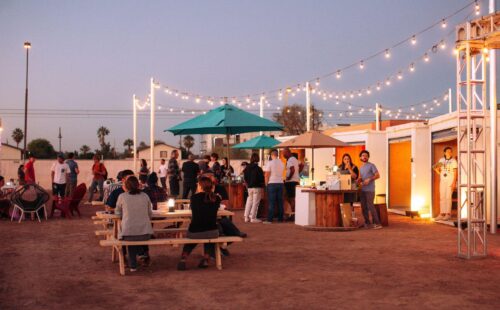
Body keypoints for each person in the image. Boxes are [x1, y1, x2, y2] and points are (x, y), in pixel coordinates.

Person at [177, 175, 220, 271]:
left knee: (194, 235)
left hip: (195, 231)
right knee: (209, 233)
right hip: (212, 231)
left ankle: (183, 258)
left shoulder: (194, 198)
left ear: (200, 186)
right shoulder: (216, 198)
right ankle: (206, 258)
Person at [115, 176, 153, 272]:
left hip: (128, 233)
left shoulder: (122, 196)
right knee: (136, 233)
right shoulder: (145, 196)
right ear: (138, 185)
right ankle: (141, 254)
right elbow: (150, 213)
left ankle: (133, 265)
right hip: (145, 234)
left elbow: (117, 213)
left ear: (126, 186)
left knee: (131, 234)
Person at [357, 150, 382, 229]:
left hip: (370, 190)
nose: (364, 157)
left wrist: (369, 179)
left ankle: (377, 223)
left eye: (366, 156)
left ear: (368, 157)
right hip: (362, 190)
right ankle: (367, 223)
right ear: (360, 157)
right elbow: (361, 178)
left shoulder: (372, 165)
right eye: (363, 155)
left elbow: (378, 175)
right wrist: (358, 180)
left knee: (371, 206)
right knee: (363, 207)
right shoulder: (361, 168)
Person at [433, 147, 458, 221]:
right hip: (443, 180)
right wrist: (440, 173)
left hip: (450, 180)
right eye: (447, 151)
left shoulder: (453, 161)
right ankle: (442, 213)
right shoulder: (442, 160)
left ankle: (448, 214)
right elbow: (435, 167)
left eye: (450, 151)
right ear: (444, 152)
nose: (449, 153)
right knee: (442, 196)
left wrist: (454, 182)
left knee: (448, 197)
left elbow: (455, 173)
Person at [263, 149, 285, 223]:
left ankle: (270, 219)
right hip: (281, 183)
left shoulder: (270, 163)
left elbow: (266, 175)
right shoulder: (282, 163)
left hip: (272, 183)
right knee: (280, 202)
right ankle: (280, 218)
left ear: (272, 155)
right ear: (277, 154)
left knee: (271, 202)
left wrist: (266, 184)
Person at [243, 153, 264, 223]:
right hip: (257, 187)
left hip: (249, 187)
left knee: (249, 201)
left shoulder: (247, 168)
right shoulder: (258, 169)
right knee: (255, 203)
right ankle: (253, 217)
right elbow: (261, 178)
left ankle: (246, 217)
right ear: (257, 159)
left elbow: (245, 178)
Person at [283, 147, 300, 214]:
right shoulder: (295, 159)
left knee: (290, 198)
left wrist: (289, 178)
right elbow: (301, 165)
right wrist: (298, 173)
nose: (283, 155)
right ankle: (293, 212)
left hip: (291, 182)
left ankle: (293, 213)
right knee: (292, 198)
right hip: (296, 181)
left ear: (288, 152)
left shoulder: (290, 160)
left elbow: (292, 170)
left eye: (284, 153)